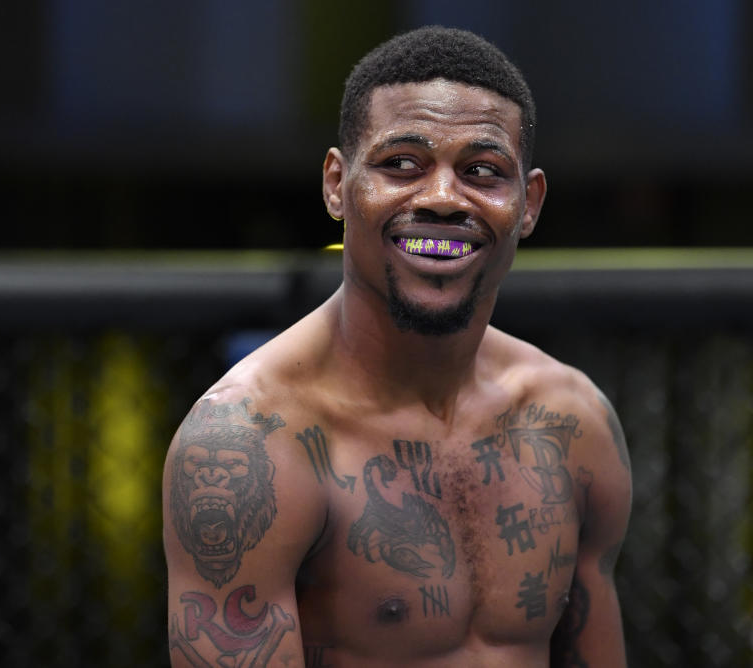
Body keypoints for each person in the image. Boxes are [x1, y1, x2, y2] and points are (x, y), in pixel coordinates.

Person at [163, 25, 632, 667]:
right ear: (337, 184)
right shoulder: (248, 444)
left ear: (529, 203)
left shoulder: (573, 421)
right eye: (401, 164)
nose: (441, 198)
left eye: (482, 171)